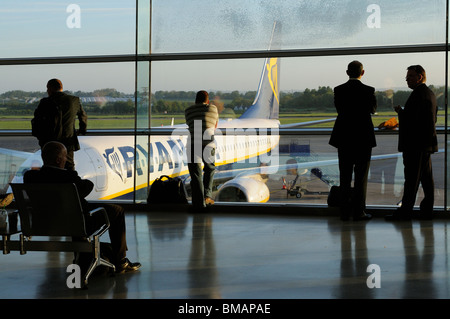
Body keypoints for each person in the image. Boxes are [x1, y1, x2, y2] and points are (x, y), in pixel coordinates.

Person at [23, 141, 141, 273]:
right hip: (76, 223)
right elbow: (86, 188)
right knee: (117, 211)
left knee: (73, 213)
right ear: (58, 160)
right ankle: (120, 261)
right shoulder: (69, 177)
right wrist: (68, 172)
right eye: (65, 157)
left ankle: (84, 258)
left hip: (44, 223)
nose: (66, 159)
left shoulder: (30, 176)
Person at [385, 65, 438, 221]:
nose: (407, 79)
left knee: (411, 180)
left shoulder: (418, 95)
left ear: (419, 77)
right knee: (427, 180)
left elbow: (413, 121)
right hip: (426, 144)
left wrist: (400, 112)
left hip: (415, 145)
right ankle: (426, 211)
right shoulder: (429, 93)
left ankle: (405, 212)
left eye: (410, 76)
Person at [329, 61, 377, 221]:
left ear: (347, 72)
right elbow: (373, 110)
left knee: (345, 176)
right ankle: (359, 212)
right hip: (363, 139)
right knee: (361, 177)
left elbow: (340, 110)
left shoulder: (338, 90)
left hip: (344, 138)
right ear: (362, 73)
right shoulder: (369, 90)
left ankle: (344, 212)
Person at [33, 78, 87, 170]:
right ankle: (70, 183)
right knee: (69, 166)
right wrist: (82, 130)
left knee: (49, 167)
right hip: (68, 140)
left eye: (47, 89)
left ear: (50, 88)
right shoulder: (74, 100)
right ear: (61, 87)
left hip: (49, 141)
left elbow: (37, 121)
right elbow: (83, 117)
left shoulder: (45, 102)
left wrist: (39, 136)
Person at [185, 91, 219, 211]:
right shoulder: (212, 108)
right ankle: (207, 196)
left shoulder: (188, 111)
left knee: (195, 175)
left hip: (193, 144)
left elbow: (190, 125)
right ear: (207, 101)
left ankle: (198, 204)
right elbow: (214, 126)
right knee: (209, 169)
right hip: (208, 143)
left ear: (195, 100)